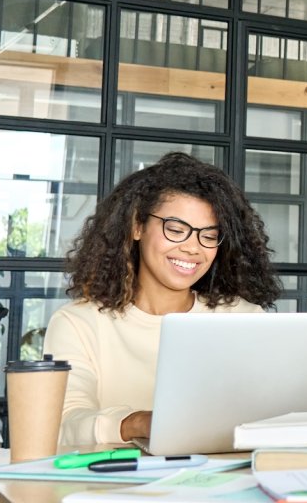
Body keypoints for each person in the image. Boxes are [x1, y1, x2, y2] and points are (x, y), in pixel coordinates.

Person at [43, 153, 280, 446]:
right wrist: (139, 423)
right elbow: (63, 423)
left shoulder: (244, 319)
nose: (193, 248)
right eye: (176, 230)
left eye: (208, 236)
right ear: (137, 227)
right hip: (111, 485)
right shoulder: (78, 323)